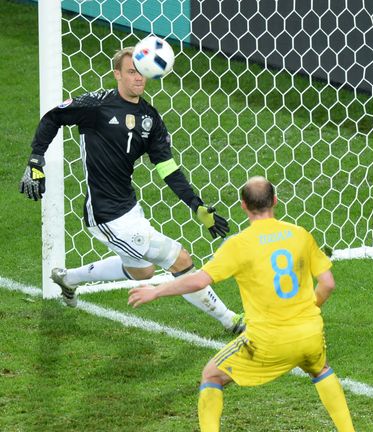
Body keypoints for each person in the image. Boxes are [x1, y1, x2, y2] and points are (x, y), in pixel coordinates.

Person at [19, 47, 244, 333]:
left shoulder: (149, 118)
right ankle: (231, 320)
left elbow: (167, 168)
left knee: (143, 271)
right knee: (180, 259)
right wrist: (36, 159)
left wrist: (196, 205)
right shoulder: (96, 106)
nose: (138, 78)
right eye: (131, 72)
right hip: (105, 213)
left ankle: (69, 278)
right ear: (117, 74)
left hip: (128, 207)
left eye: (141, 72)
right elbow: (53, 117)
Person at [127, 176, 355, 432]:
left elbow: (199, 281)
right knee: (320, 369)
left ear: (243, 206)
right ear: (275, 201)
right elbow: (328, 284)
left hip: (267, 341)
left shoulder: (238, 245)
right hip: (310, 334)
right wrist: (310, 308)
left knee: (211, 375)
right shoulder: (299, 234)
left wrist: (156, 292)